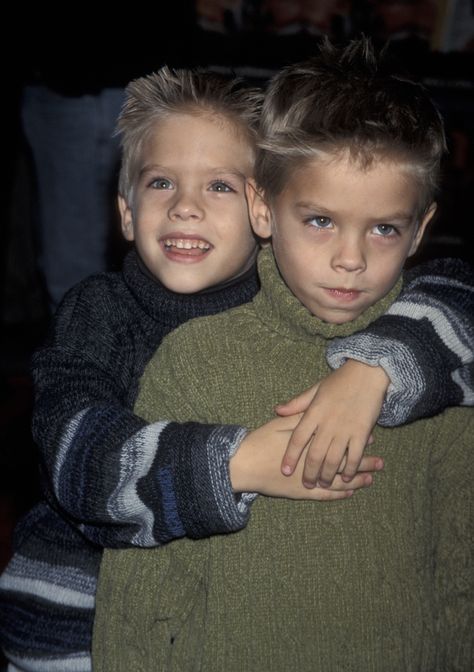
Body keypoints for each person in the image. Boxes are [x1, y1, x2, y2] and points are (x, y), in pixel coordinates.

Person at [1, 64, 472, 672]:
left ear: (262, 210)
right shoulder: (100, 312)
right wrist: (241, 462)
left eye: (219, 186)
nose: (187, 208)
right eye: (162, 183)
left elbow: (454, 292)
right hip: (73, 624)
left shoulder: (294, 295)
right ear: (125, 211)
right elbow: (79, 463)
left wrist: (371, 372)